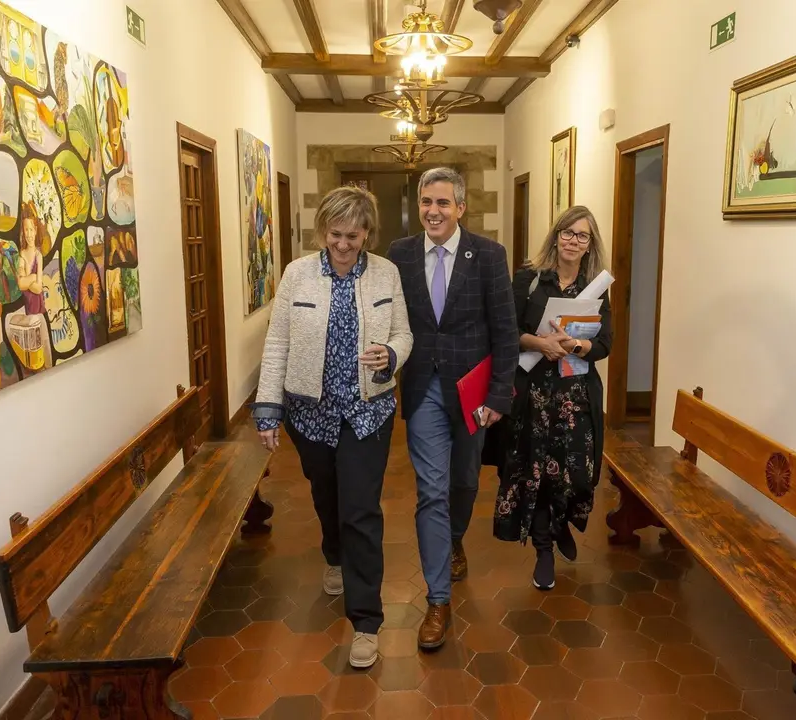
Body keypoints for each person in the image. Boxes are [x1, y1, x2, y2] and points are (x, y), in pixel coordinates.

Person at [252, 186, 412, 669]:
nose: (344, 244)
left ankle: (366, 621)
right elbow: (278, 338)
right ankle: (333, 554)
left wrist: (391, 357)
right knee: (326, 495)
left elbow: (403, 333)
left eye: (354, 235)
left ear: (368, 233)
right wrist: (267, 406)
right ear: (323, 231)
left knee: (361, 509)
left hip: (368, 412)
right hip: (311, 414)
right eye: (336, 234)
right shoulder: (298, 274)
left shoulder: (386, 272)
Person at [387, 167, 517, 650]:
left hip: (472, 394)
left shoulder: (487, 255)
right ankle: (438, 600)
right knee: (432, 491)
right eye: (426, 202)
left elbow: (505, 331)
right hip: (423, 390)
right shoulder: (398, 255)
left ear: (461, 207)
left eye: (443, 203)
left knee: (464, 480)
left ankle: (455, 537)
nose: (433, 212)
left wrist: (498, 396)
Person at [492, 206, 612, 590]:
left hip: (576, 397)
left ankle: (561, 525)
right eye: (567, 232)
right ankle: (544, 548)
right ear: (555, 234)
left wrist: (575, 343)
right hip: (534, 395)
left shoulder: (596, 286)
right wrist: (541, 343)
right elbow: (507, 330)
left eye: (582, 236)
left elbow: (604, 344)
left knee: (579, 475)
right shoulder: (529, 277)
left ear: (590, 244)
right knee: (537, 475)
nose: (573, 241)